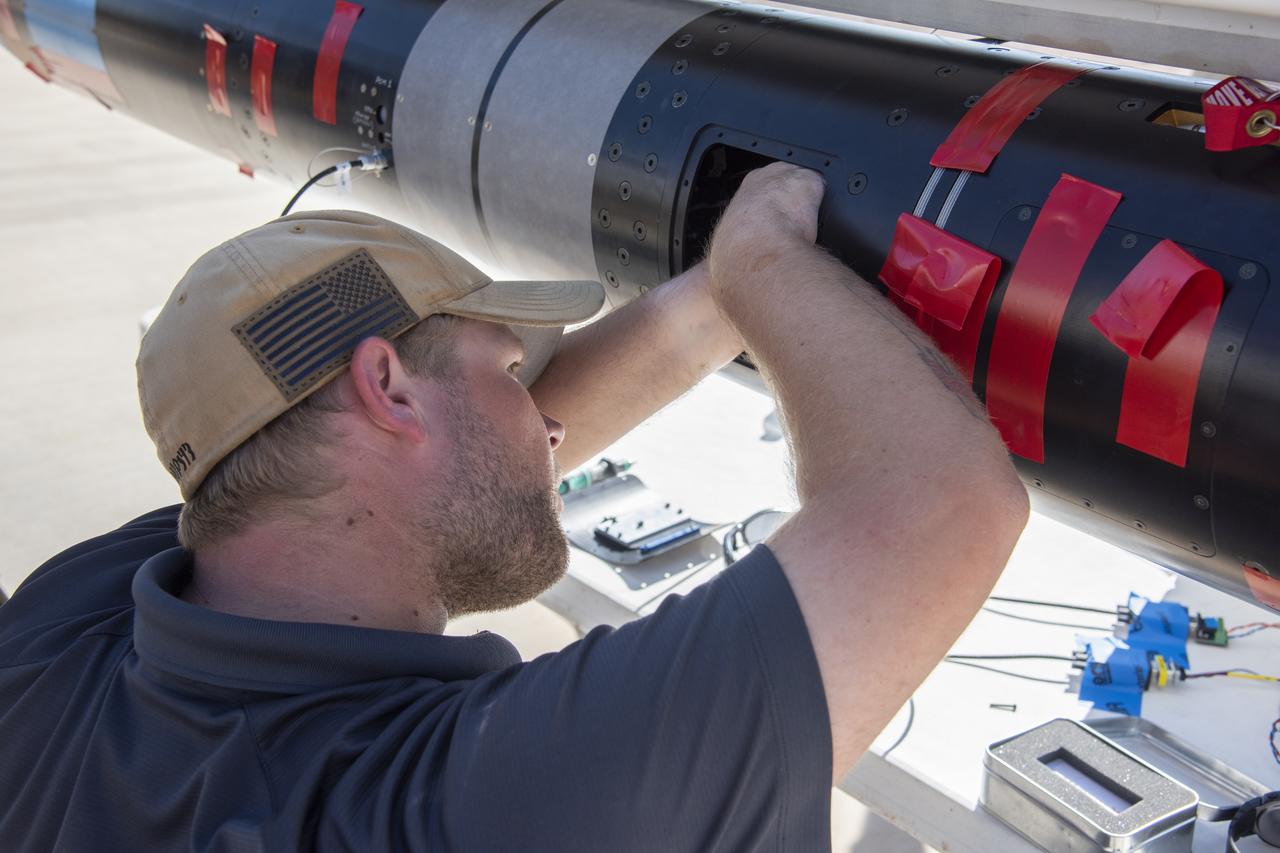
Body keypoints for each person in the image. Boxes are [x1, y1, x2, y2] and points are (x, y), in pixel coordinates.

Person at [0, 164, 1027, 851]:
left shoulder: (62, 634)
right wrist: (765, 268)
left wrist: (715, 300)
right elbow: (941, 502)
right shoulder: (482, 801)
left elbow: (451, 464)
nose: (548, 424)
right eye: (510, 368)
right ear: (387, 388)